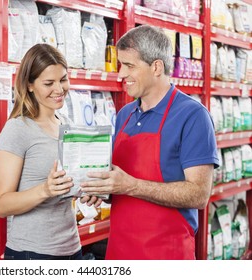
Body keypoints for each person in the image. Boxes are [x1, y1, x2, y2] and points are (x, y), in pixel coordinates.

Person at [80, 25, 219, 260]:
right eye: (120, 64)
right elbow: (121, 180)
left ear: (156, 67)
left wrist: (129, 186)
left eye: (129, 65)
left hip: (166, 254)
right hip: (120, 251)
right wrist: (103, 189)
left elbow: (198, 194)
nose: (121, 74)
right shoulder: (124, 115)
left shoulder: (192, 115)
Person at [0, 43, 99, 260]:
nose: (59, 89)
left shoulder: (66, 123)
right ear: (30, 85)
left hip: (71, 248)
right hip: (32, 253)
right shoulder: (17, 129)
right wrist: (45, 190)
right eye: (49, 83)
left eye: (63, 79)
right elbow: (1, 205)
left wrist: (88, 190)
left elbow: (69, 185)